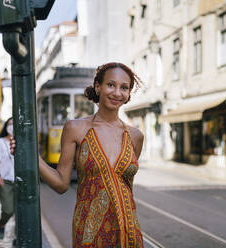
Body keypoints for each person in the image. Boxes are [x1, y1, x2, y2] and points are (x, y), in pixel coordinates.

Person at [11, 62, 144, 247]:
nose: (117, 93)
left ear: (129, 93)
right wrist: (31, 154)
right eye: (111, 85)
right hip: (90, 231)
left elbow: (127, 187)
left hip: (129, 232)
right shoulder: (75, 128)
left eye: (124, 88)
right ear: (98, 86)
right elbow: (61, 184)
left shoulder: (136, 136)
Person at [0, 117, 15, 239]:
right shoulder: (0, 142)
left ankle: (17, 236)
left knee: (21, 212)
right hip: (5, 181)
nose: (11, 126)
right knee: (8, 209)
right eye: (9, 124)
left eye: (14, 124)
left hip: (21, 182)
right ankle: (2, 224)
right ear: (6, 127)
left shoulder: (23, 142)